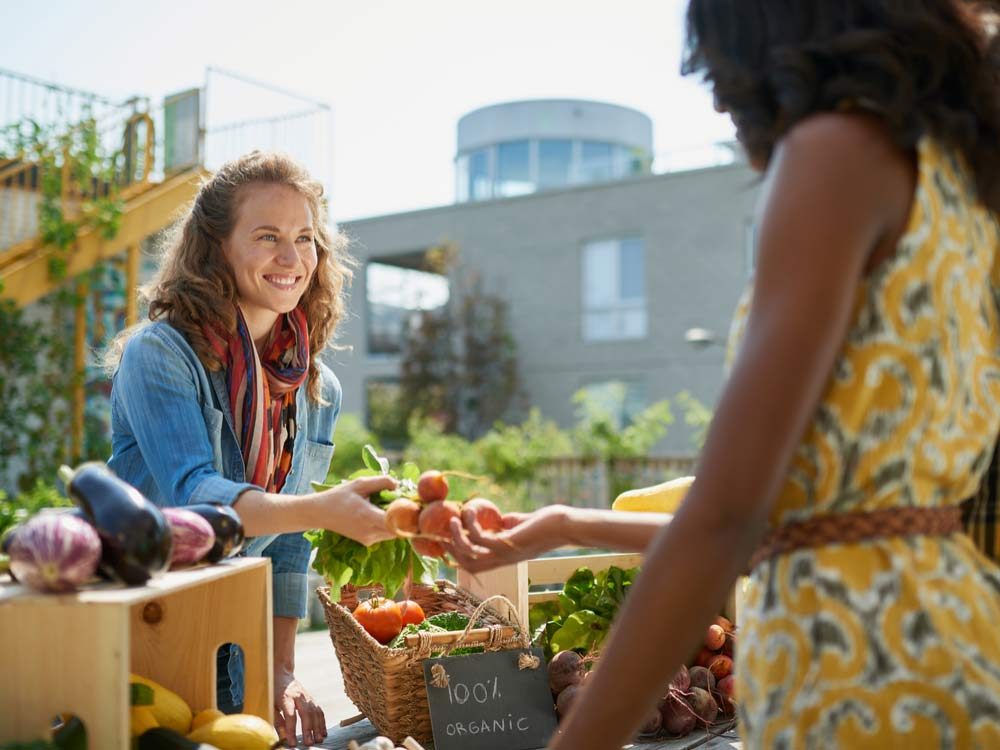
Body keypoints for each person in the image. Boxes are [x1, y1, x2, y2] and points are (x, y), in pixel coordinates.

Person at [448, 2, 1000, 747]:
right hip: (938, 638)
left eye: (717, 63)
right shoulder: (953, 178)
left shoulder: (834, 151)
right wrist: (567, 525)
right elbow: (813, 508)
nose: (716, 97)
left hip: (862, 665)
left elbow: (726, 518)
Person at [105, 152, 396, 748]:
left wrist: (280, 669)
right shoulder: (160, 355)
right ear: (216, 248)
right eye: (267, 237)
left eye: (305, 238)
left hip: (233, 653)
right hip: (140, 637)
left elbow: (286, 546)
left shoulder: (316, 387)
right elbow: (199, 502)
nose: (292, 259)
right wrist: (323, 509)